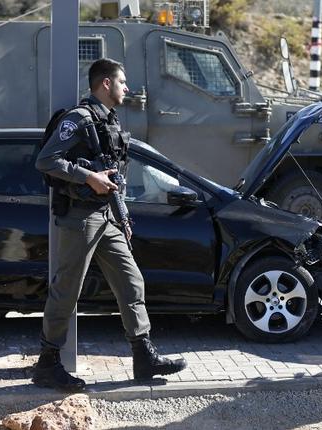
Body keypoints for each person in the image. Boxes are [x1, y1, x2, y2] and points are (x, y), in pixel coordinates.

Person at [33, 58, 187, 391]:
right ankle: (46, 365)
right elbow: (46, 160)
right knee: (66, 292)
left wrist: (123, 216)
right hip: (79, 218)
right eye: (122, 82)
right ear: (105, 83)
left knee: (132, 283)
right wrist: (88, 177)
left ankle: (143, 357)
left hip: (107, 217)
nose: (126, 88)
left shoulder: (108, 121)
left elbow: (114, 175)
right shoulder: (79, 118)